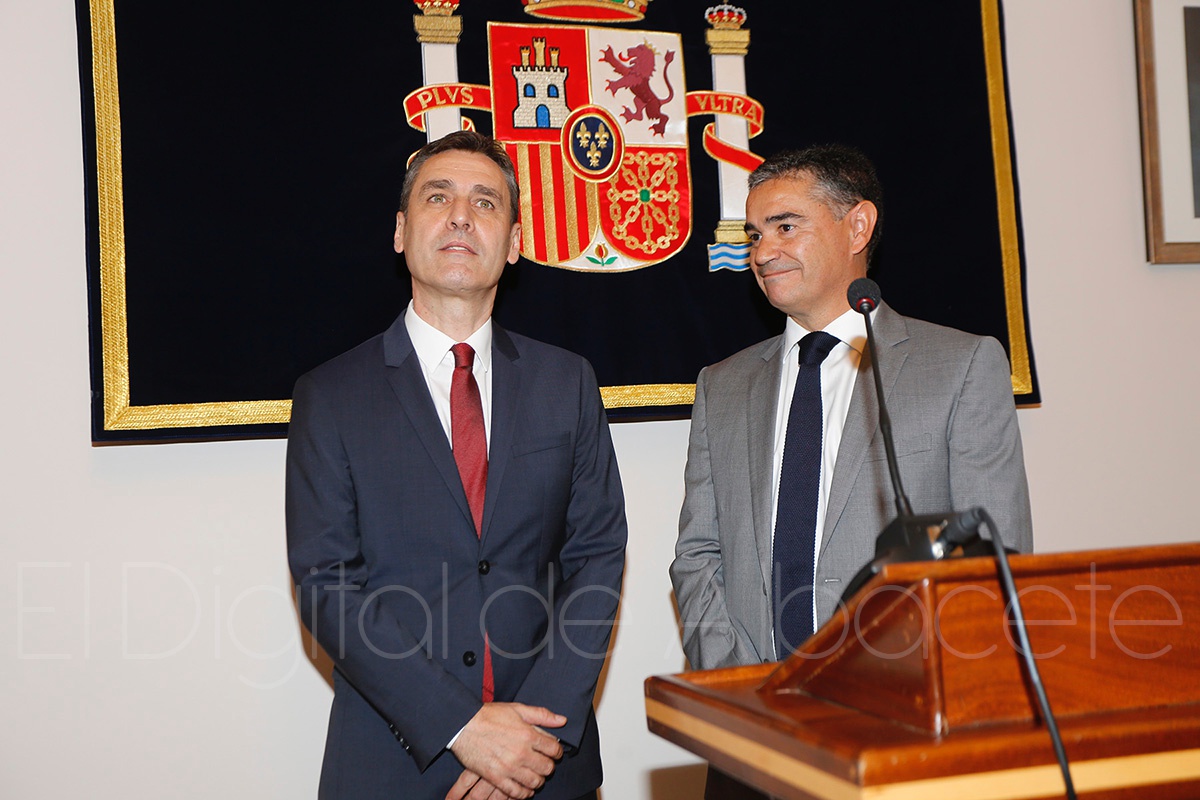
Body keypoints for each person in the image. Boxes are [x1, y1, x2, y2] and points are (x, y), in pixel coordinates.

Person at [287, 130, 627, 800]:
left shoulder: (568, 382)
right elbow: (327, 585)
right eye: (438, 197)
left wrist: (530, 741)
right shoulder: (330, 395)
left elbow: (597, 557)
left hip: (547, 763)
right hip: (395, 767)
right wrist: (463, 726)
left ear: (515, 242)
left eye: (486, 202)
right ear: (400, 231)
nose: (462, 216)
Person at [671, 143, 1032, 670]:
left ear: (858, 227)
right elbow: (698, 555)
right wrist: (740, 686)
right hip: (752, 701)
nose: (763, 252)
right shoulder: (721, 386)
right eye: (754, 235)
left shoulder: (961, 366)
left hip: (906, 697)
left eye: (785, 226)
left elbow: (993, 560)